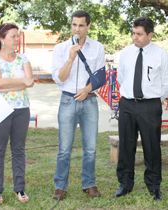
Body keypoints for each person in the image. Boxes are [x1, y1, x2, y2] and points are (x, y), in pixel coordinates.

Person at [113, 17, 168, 200]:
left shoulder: (161, 55)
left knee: (152, 147)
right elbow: (121, 78)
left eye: (139, 34)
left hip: (150, 106)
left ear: (150, 35)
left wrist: (153, 99)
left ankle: (154, 186)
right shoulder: (125, 53)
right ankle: (125, 183)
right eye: (133, 33)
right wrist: (131, 96)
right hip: (127, 105)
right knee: (126, 145)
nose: (135, 37)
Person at [51, 10, 105, 200]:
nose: (77, 29)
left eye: (81, 25)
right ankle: (60, 186)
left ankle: (89, 183)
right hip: (67, 100)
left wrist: (87, 89)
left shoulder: (98, 47)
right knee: (64, 148)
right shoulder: (60, 49)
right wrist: (71, 58)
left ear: (88, 26)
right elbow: (60, 78)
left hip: (89, 100)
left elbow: (100, 75)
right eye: (74, 24)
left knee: (90, 148)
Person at [0, 23, 34, 204]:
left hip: (21, 109)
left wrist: (5, 85)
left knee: (18, 150)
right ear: (2, 38)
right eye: (13, 36)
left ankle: (20, 189)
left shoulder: (23, 58)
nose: (16, 39)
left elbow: (30, 83)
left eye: (17, 36)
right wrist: (22, 81)